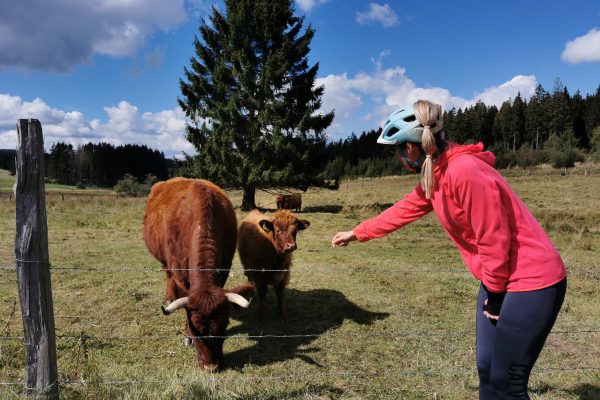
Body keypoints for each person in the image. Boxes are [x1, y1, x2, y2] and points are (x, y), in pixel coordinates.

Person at [331, 100, 567, 399]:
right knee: (487, 368)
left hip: (531, 280)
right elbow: (404, 209)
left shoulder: (464, 170)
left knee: (508, 379)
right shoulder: (437, 172)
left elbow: (493, 239)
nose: (397, 158)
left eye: (396, 150)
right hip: (498, 278)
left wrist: (494, 297)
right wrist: (357, 232)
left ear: (411, 148)